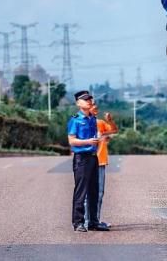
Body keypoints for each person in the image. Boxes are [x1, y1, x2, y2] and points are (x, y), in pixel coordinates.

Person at [67, 90, 108, 232]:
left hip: (92, 157)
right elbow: (71, 141)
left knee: (94, 190)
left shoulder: (92, 119)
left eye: (90, 99)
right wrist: (87, 141)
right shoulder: (75, 120)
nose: (89, 101)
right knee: (81, 191)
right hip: (81, 159)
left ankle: (93, 222)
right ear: (78, 103)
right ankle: (78, 222)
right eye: (85, 99)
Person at [84, 102, 119, 228]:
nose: (96, 108)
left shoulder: (100, 123)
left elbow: (114, 130)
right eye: (93, 105)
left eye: (96, 106)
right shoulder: (82, 123)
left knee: (99, 192)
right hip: (87, 162)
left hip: (100, 161)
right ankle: (85, 220)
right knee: (87, 193)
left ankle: (95, 220)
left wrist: (110, 121)